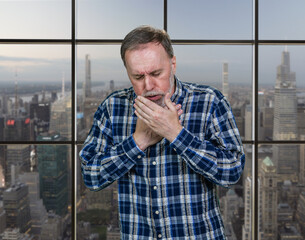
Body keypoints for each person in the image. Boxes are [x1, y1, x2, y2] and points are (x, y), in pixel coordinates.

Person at [79, 25, 245, 239]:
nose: (148, 85)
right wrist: (137, 142)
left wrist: (176, 134)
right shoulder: (113, 108)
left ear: (173, 64)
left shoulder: (210, 102)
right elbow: (91, 177)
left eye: (156, 73)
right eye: (138, 77)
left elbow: (232, 172)